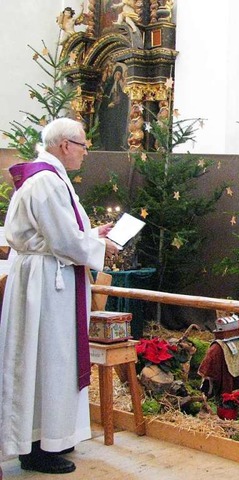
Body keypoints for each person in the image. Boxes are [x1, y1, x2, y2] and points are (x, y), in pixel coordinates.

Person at [0, 118, 119, 474]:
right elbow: (63, 240)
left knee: (52, 359)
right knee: (46, 359)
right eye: (83, 145)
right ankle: (35, 446)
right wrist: (100, 245)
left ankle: (49, 437)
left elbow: (61, 230)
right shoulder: (47, 182)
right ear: (66, 144)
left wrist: (92, 232)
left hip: (51, 279)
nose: (86, 153)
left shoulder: (49, 179)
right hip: (45, 285)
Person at [98, 65, 129, 151]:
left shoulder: (120, 88)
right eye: (116, 74)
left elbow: (123, 101)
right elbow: (103, 99)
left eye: (119, 75)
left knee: (115, 130)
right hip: (108, 114)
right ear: (114, 74)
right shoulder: (108, 86)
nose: (117, 76)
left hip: (116, 115)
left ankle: (116, 145)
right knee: (108, 130)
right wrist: (108, 104)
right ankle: (106, 145)